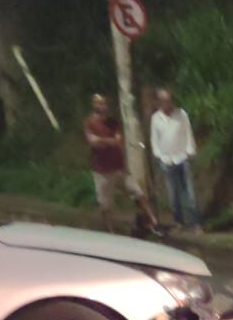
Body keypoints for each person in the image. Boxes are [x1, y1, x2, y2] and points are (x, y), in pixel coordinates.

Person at [84, 93, 158, 234]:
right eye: (100, 104)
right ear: (94, 105)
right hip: (102, 171)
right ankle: (110, 230)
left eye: (105, 104)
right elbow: (93, 142)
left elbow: (118, 140)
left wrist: (102, 140)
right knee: (106, 204)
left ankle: (153, 221)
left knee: (138, 192)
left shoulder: (113, 123)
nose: (103, 106)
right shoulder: (89, 123)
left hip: (118, 168)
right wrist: (108, 141)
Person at [151, 87, 202, 234]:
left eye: (168, 99)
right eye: (162, 100)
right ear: (158, 102)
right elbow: (154, 140)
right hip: (167, 160)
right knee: (173, 194)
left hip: (182, 157)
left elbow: (188, 133)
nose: (166, 103)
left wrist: (190, 150)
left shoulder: (181, 114)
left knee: (190, 193)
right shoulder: (156, 118)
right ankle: (179, 222)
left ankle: (196, 223)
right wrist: (159, 155)